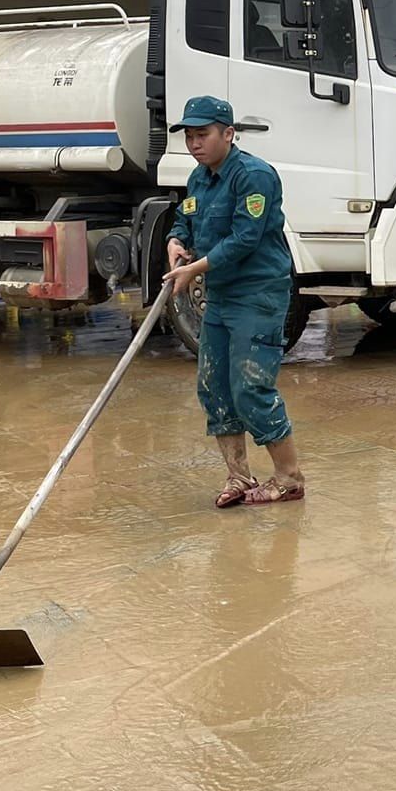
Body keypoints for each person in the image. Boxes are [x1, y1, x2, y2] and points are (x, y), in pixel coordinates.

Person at [164, 95, 306, 507]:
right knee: (214, 386)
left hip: (257, 293)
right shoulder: (199, 178)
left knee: (251, 387)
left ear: (228, 133)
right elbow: (186, 217)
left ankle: (289, 478)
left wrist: (195, 269)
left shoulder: (254, 176)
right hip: (221, 295)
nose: (195, 143)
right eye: (189, 136)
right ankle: (239, 476)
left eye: (202, 134)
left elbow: (246, 238)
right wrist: (177, 241)